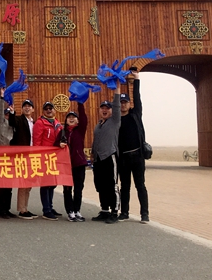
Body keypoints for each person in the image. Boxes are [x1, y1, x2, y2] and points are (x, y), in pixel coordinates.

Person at [118, 68, 150, 223]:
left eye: (125, 102)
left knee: (140, 185)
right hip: (123, 158)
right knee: (125, 186)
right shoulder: (116, 120)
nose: (123, 105)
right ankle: (124, 213)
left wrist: (136, 80)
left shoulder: (135, 115)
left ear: (129, 104)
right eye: (121, 103)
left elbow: (137, 98)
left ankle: (145, 214)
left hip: (137, 156)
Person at [91, 82, 122, 224]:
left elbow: (117, 105)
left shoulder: (114, 121)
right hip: (98, 159)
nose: (104, 110)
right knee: (100, 185)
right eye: (102, 108)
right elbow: (96, 141)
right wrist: (93, 154)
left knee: (112, 185)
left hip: (110, 157)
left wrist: (117, 89)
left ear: (111, 110)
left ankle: (115, 212)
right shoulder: (98, 125)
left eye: (107, 108)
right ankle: (104, 211)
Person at [32, 101, 63, 220]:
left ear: (54, 110)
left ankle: (50, 206)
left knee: (53, 183)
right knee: (46, 184)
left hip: (55, 158)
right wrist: (38, 157)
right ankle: (46, 209)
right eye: (46, 109)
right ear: (43, 111)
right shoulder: (40, 123)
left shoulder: (57, 123)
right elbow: (37, 141)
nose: (49, 110)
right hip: (44, 158)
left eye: (51, 108)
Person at [59, 102, 88, 222]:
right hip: (66, 165)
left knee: (78, 188)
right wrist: (59, 144)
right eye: (69, 117)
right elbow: (55, 146)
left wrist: (80, 103)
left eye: (73, 117)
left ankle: (77, 210)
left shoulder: (80, 130)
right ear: (66, 121)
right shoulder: (62, 132)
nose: (71, 119)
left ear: (77, 120)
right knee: (67, 189)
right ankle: (70, 211)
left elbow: (84, 118)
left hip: (79, 164)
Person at [9, 99, 38, 219]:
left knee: (29, 184)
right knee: (23, 183)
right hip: (22, 156)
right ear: (22, 109)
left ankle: (25, 207)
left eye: (29, 106)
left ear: (33, 109)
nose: (27, 108)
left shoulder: (34, 123)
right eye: (25, 106)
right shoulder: (19, 120)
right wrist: (12, 112)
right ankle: (22, 210)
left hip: (32, 156)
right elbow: (12, 122)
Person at [0, 88, 16, 219]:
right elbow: (0, 114)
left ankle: (7, 209)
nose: (6, 115)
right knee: (1, 186)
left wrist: (12, 111)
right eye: (5, 114)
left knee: (9, 187)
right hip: (0, 158)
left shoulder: (13, 126)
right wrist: (2, 98)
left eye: (8, 114)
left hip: (11, 159)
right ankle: (1, 210)